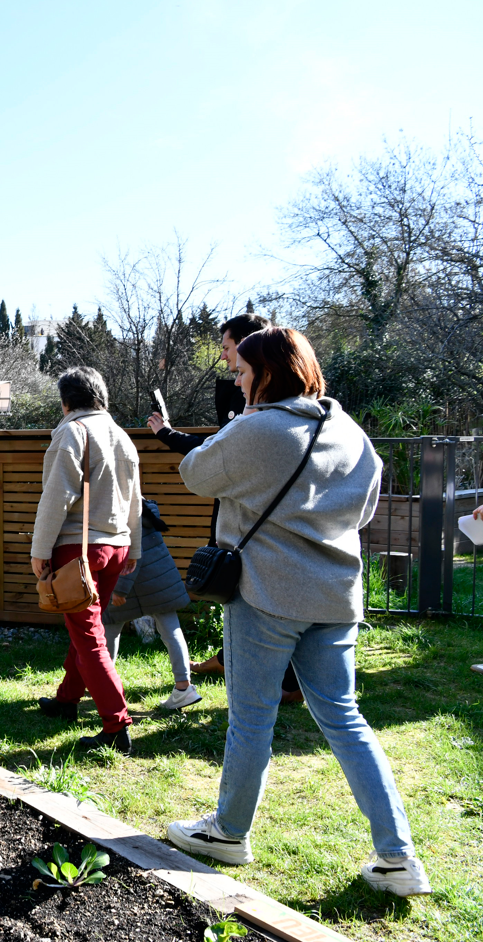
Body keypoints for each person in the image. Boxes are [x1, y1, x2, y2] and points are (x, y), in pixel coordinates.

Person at [166, 327, 431, 898]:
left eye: (241, 371)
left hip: (266, 595)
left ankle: (229, 834)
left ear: (266, 373)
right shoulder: (353, 434)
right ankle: (398, 856)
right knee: (345, 719)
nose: (236, 380)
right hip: (335, 597)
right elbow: (360, 514)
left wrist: (239, 420)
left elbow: (194, 474)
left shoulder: (258, 427)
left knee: (252, 719)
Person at [145, 309, 305, 701]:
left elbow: (208, 465)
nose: (225, 360)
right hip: (327, 585)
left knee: (252, 601)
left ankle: (264, 674)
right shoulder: (327, 422)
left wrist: (167, 435)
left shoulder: (258, 417)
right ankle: (241, 662)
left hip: (261, 538)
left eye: (229, 350)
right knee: (338, 712)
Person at [32, 367, 142, 754]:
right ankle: (67, 700)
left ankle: (116, 725)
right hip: (117, 547)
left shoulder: (72, 431)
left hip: (78, 549)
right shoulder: (122, 435)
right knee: (86, 629)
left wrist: (39, 550)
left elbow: (55, 497)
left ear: (66, 401)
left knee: (88, 635)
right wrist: (136, 547)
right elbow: (135, 499)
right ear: (101, 396)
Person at [103, 498, 199, 710]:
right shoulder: (142, 505)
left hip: (131, 583)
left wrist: (119, 589)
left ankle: (104, 685)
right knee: (171, 631)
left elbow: (132, 555)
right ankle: (184, 688)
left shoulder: (123, 506)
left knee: (108, 627)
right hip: (159, 581)